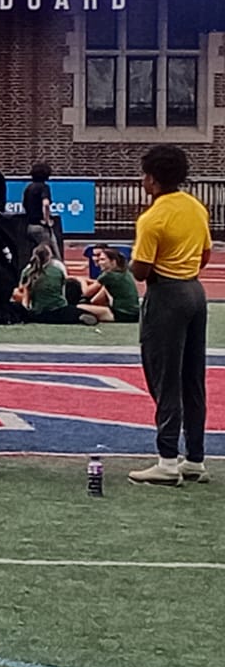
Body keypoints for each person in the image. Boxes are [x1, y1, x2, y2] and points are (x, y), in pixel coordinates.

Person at [128, 144, 211, 486]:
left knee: (165, 377)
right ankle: (195, 458)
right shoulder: (196, 207)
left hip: (166, 295)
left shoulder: (153, 218)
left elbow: (141, 270)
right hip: (195, 292)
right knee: (193, 377)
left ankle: (166, 459)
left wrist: (131, 262)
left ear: (152, 179)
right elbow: (205, 255)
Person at [16, 243, 83, 325]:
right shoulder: (57, 269)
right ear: (49, 256)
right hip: (60, 310)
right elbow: (64, 285)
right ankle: (80, 315)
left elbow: (21, 288)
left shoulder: (27, 271)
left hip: (37, 313)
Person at [77, 245, 140, 326]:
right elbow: (96, 299)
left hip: (120, 314)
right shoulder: (125, 273)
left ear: (113, 261)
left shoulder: (108, 275)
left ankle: (92, 317)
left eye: (102, 259)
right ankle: (93, 316)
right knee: (93, 305)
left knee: (79, 307)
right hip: (134, 314)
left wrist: (82, 280)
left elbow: (86, 292)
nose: (99, 262)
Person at [23, 162, 57, 256]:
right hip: (41, 226)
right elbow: (45, 204)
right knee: (50, 253)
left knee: (34, 253)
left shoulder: (28, 188)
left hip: (30, 226)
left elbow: (25, 204)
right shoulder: (44, 187)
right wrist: (47, 220)